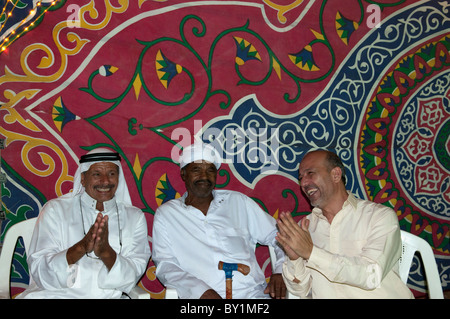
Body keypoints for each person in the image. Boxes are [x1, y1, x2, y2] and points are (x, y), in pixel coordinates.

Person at [152, 142, 286, 299]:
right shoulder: (167, 214)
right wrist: (200, 291)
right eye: (196, 170)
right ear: (183, 174)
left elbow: (279, 236)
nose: (204, 177)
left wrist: (281, 271)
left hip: (253, 295)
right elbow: (165, 265)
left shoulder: (238, 202)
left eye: (210, 170)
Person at [276, 149, 414, 298]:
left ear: (335, 175)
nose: (303, 183)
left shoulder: (379, 216)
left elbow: (371, 275)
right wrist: (294, 258)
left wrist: (311, 253)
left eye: (310, 173)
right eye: (301, 177)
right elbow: (299, 291)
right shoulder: (305, 228)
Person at [18, 148, 151, 298]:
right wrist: (81, 248)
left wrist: (106, 252)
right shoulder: (56, 210)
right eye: (97, 174)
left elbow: (133, 274)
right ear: (82, 178)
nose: (105, 181)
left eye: (112, 174)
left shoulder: (134, 217)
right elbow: (39, 268)